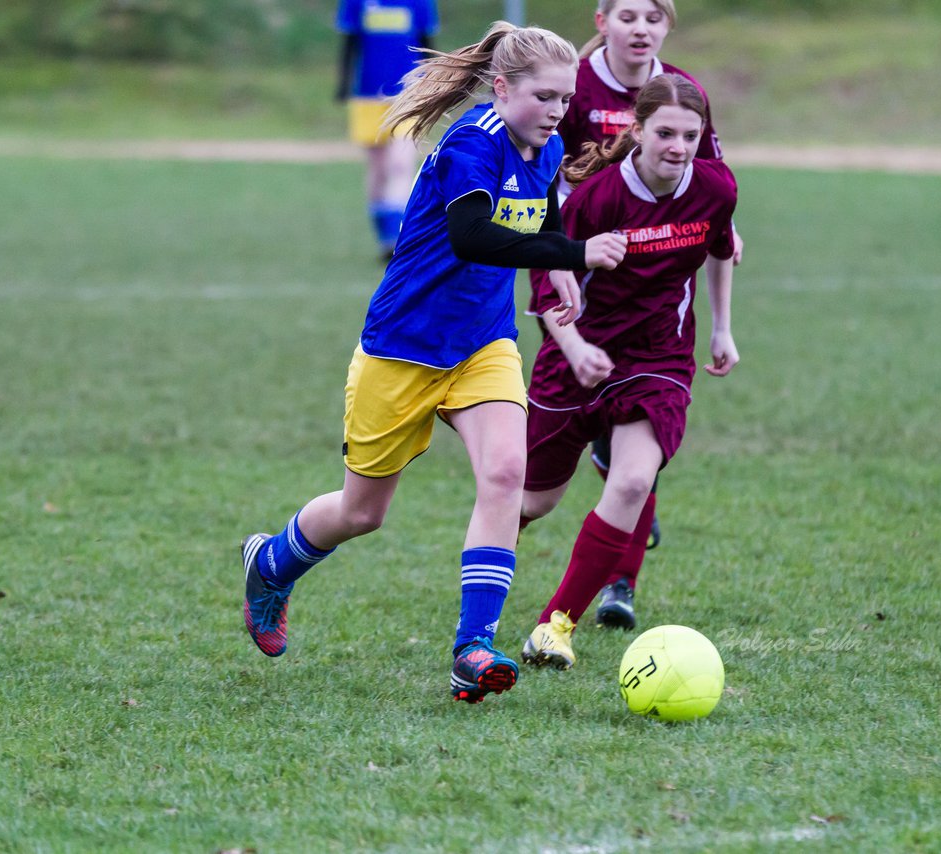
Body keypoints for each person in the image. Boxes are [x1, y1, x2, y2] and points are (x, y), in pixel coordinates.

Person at [242, 22, 629, 703]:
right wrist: (577, 257)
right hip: (403, 348)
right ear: (502, 87)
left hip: (483, 343)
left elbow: (541, 214)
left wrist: (560, 260)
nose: (556, 112)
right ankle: (271, 562)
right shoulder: (469, 146)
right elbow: (473, 236)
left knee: (507, 472)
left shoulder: (545, 142)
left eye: (564, 100)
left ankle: (473, 649)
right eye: (543, 97)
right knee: (363, 513)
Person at [525, 0, 740, 631]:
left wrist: (723, 322)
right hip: (576, 291)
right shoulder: (575, 90)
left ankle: (596, 597)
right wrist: (558, 256)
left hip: (656, 343)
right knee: (531, 498)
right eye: (627, 14)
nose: (641, 27)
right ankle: (483, 588)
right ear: (601, 20)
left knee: (631, 473)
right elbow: (539, 176)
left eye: (654, 15)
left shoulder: (688, 108)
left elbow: (718, 213)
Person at [335, 0, 439, 262]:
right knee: (379, 169)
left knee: (401, 164)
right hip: (368, 96)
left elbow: (428, 44)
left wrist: (438, 85)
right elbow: (349, 42)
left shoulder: (421, 2)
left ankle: (397, 238)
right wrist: (343, 83)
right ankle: (385, 237)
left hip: (410, 94)